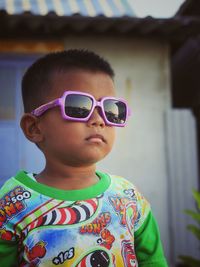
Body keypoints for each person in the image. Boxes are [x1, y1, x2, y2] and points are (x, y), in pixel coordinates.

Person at [0, 49, 168, 266]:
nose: (99, 120)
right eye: (79, 107)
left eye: (111, 109)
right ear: (34, 127)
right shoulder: (12, 203)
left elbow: (153, 261)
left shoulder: (128, 197)